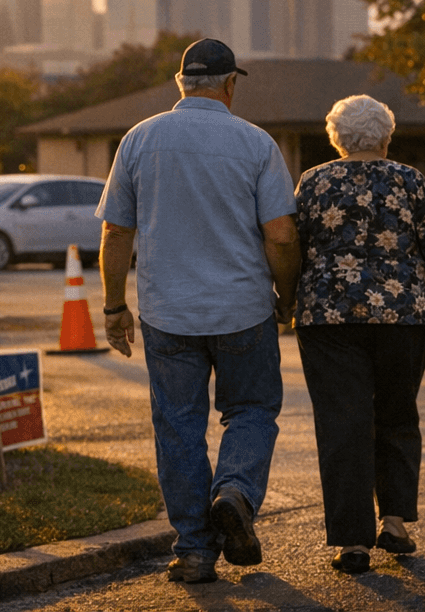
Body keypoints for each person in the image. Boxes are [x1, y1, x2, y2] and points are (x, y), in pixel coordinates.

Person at [97, 37, 302, 585]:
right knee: (253, 410)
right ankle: (234, 492)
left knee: (179, 427)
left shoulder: (140, 139)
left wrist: (115, 306)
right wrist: (290, 295)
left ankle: (193, 551)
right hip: (244, 308)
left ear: (180, 83)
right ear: (231, 85)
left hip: (167, 314)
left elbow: (116, 230)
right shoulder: (256, 144)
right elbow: (281, 235)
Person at [292, 94, 425, 574]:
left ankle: (352, 542)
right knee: (396, 414)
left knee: (343, 424)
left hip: (329, 319)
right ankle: (394, 522)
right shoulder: (410, 182)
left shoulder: (313, 183)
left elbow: (287, 247)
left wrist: (286, 297)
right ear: (386, 136)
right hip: (403, 315)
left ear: (337, 138)